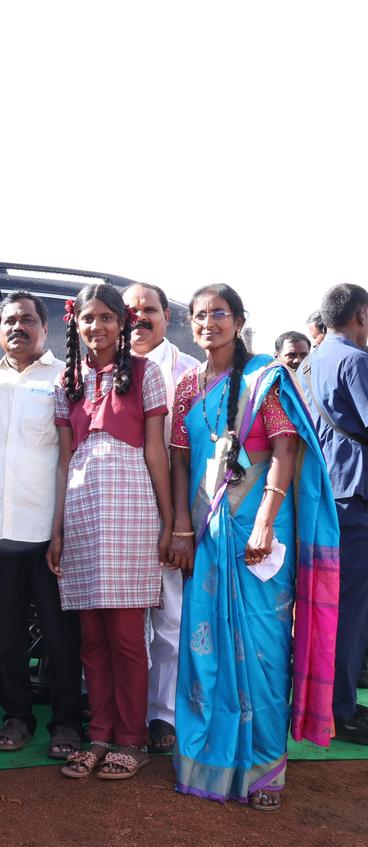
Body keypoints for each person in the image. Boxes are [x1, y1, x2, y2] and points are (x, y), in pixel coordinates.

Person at [171, 284, 339, 809]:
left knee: (265, 651)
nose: (208, 323)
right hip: (208, 534)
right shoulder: (185, 387)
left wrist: (265, 522)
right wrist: (180, 525)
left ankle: (266, 768)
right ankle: (209, 761)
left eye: (219, 314)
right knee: (204, 647)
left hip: (259, 535)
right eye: (199, 315)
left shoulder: (265, 378)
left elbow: (286, 451)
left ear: (239, 320)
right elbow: (181, 463)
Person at [50, 283, 172, 781]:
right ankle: (99, 734)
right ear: (75, 325)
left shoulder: (146, 374)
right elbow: (63, 461)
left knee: (126, 636)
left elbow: (156, 452)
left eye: (106, 317)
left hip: (131, 510)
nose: (96, 327)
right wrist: (56, 530)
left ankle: (132, 738)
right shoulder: (68, 381)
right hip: (81, 510)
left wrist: (172, 523)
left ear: (122, 324)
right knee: (92, 638)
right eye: (87, 318)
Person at [0, 291, 85, 759]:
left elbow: (70, 457)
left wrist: (61, 528)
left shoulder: (66, 378)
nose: (17, 328)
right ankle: (17, 715)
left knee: (61, 634)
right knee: (8, 635)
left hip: (48, 531)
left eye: (27, 320)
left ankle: (66, 721)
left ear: (45, 329)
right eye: (8, 321)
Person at [123, 282, 201, 755]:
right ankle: (111, 706)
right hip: (116, 513)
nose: (138, 318)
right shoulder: (101, 369)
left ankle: (162, 715)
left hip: (170, 510)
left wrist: (180, 525)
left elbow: (187, 456)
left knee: (169, 618)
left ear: (166, 316)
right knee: (117, 614)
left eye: (148, 310)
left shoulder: (189, 372)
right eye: (129, 310)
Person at [299, 283, 368, 746]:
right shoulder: (356, 361)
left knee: (324, 608)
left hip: (320, 497)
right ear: (361, 315)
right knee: (350, 611)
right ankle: (338, 709)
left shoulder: (307, 362)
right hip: (356, 501)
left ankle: (326, 702)